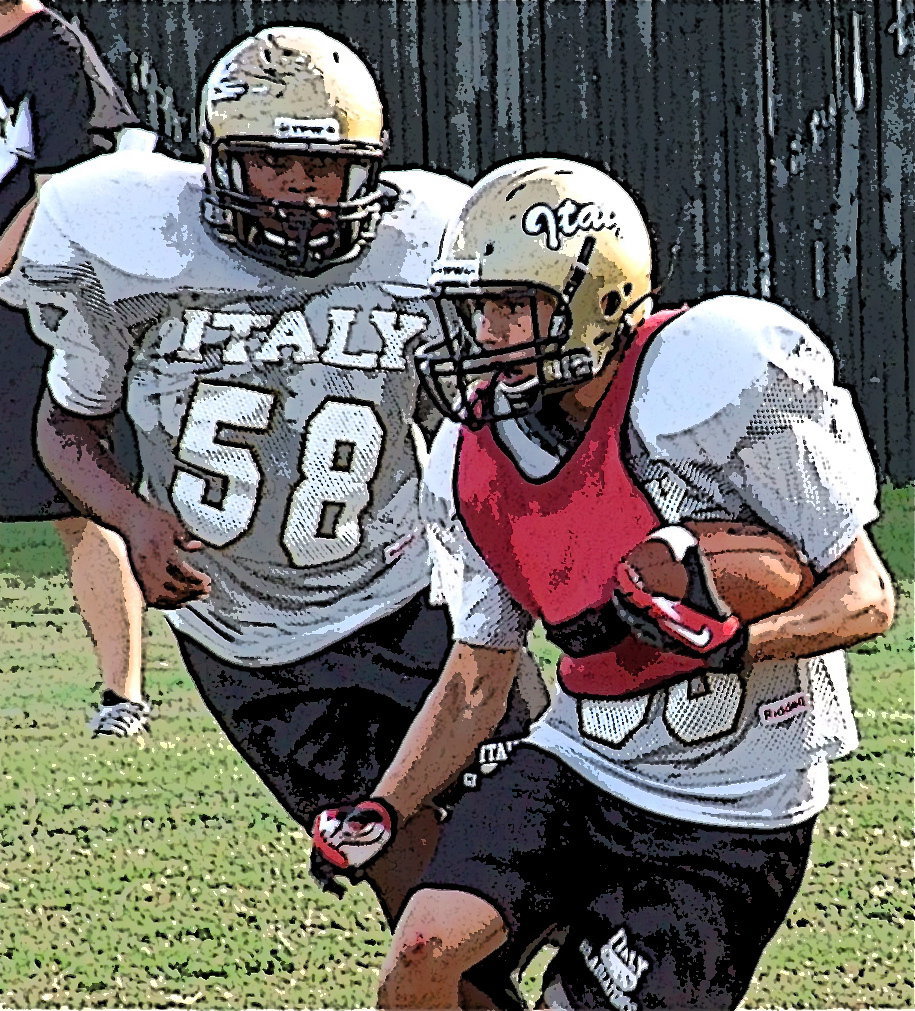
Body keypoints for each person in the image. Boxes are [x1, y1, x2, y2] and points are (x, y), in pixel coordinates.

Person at [1, 26, 546, 1005]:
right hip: (250, 639)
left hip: (413, 595)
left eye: (324, 166)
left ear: (368, 169)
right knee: (415, 889)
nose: (298, 188)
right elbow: (65, 424)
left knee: (552, 850)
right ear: (219, 159)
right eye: (272, 161)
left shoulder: (431, 243)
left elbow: (483, 428)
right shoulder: (131, 239)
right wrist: (133, 519)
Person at [310, 157, 896, 1010]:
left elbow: (865, 595)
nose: (490, 332)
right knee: (427, 945)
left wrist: (738, 642)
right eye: (480, 307)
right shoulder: (471, 454)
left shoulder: (710, 378)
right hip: (581, 763)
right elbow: (479, 673)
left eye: (515, 303)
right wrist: (386, 806)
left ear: (596, 294)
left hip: (729, 811)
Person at [0, 0, 150, 736]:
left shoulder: (52, 49)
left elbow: (69, 176)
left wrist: (4, 254)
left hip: (35, 305)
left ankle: (122, 697)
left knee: (77, 504)